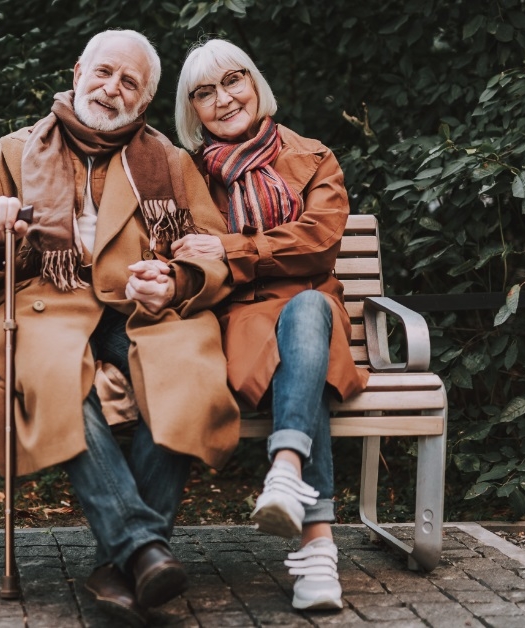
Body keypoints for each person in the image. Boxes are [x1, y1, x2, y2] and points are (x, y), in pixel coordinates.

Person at [0, 30, 240, 625]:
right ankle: (143, 549)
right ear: (78, 70)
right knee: (56, 378)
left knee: (185, 371)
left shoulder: (172, 163)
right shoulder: (10, 153)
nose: (111, 89)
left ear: (145, 100)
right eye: (104, 73)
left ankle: (119, 564)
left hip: (138, 310)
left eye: (129, 82)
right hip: (41, 307)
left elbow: (212, 252)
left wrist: (176, 280)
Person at [171, 39, 371, 611]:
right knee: (303, 369)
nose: (223, 98)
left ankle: (285, 468)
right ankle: (317, 555)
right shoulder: (187, 173)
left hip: (311, 303)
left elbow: (319, 242)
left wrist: (232, 246)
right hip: (239, 317)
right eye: (203, 93)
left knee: (306, 313)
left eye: (232, 81)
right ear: (193, 111)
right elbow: (185, 251)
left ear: (254, 83)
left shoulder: (313, 156)